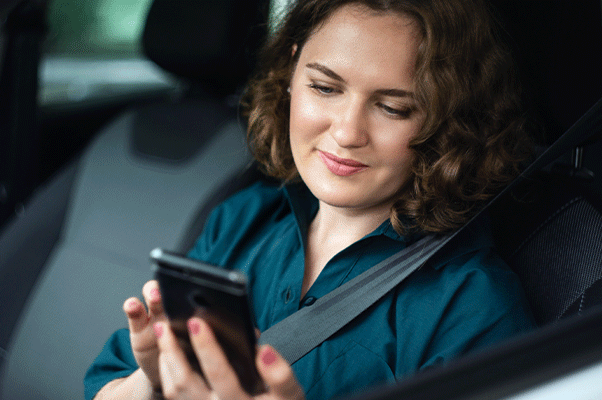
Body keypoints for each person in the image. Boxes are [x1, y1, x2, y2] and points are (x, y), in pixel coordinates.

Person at [85, 0, 535, 398]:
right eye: (325, 87)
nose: (346, 133)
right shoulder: (243, 219)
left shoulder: (473, 307)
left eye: (394, 107)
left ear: (447, 119)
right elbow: (106, 387)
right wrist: (152, 381)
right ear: (292, 71)